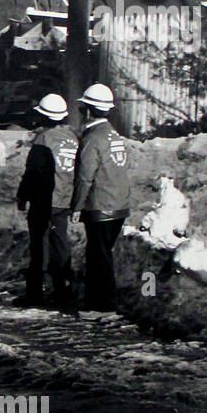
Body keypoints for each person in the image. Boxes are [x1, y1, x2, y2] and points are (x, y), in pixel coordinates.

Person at [69, 83, 131, 313]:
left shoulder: (92, 138)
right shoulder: (114, 135)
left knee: (98, 258)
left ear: (87, 110)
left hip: (99, 207)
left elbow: (85, 177)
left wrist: (76, 206)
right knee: (103, 255)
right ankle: (103, 304)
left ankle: (101, 306)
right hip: (118, 206)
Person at [15, 93, 78, 305]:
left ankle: (36, 293)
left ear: (43, 117)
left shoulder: (43, 139)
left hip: (44, 199)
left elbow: (33, 172)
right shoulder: (73, 138)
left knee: (39, 245)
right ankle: (63, 289)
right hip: (64, 199)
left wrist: (23, 195)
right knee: (60, 243)